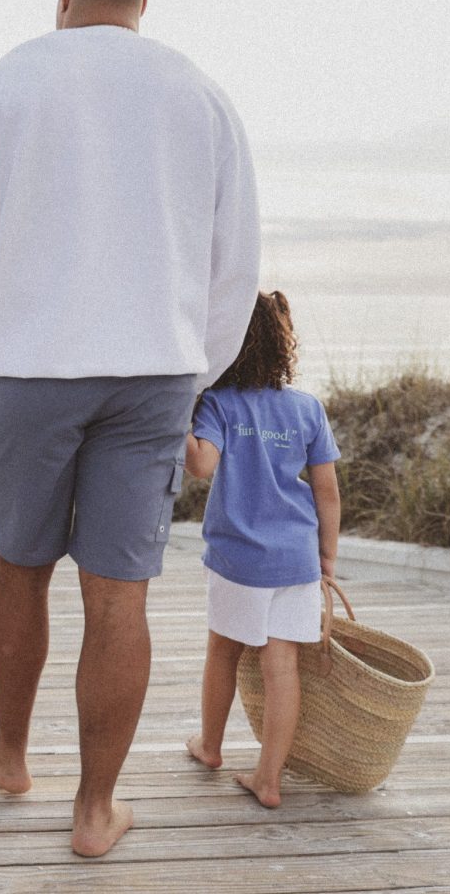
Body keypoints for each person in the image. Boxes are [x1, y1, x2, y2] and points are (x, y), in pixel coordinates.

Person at [0, 0, 261, 857]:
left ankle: (14, 754)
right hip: (154, 370)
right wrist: (196, 377)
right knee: (121, 598)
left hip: (24, 368)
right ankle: (94, 810)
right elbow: (235, 268)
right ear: (144, 1)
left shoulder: (1, 86)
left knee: (20, 570)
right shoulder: (202, 97)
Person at [183, 291, 342, 809]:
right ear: (282, 346)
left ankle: (210, 746)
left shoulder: (218, 404)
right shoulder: (306, 408)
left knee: (222, 654)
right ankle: (268, 778)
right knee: (282, 667)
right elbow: (327, 491)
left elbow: (201, 466)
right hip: (295, 557)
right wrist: (327, 558)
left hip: (237, 558)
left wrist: (175, 410)